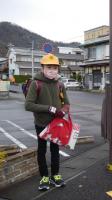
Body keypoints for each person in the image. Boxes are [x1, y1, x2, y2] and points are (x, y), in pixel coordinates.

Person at [25, 53, 70, 191]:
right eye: (48, 67)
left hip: (56, 123)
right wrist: (49, 109)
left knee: (55, 150)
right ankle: (44, 176)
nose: (52, 70)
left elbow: (67, 103)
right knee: (42, 150)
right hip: (41, 123)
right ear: (42, 68)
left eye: (55, 68)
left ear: (58, 69)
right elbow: (28, 105)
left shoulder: (60, 85)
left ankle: (55, 175)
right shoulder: (36, 83)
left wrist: (63, 110)